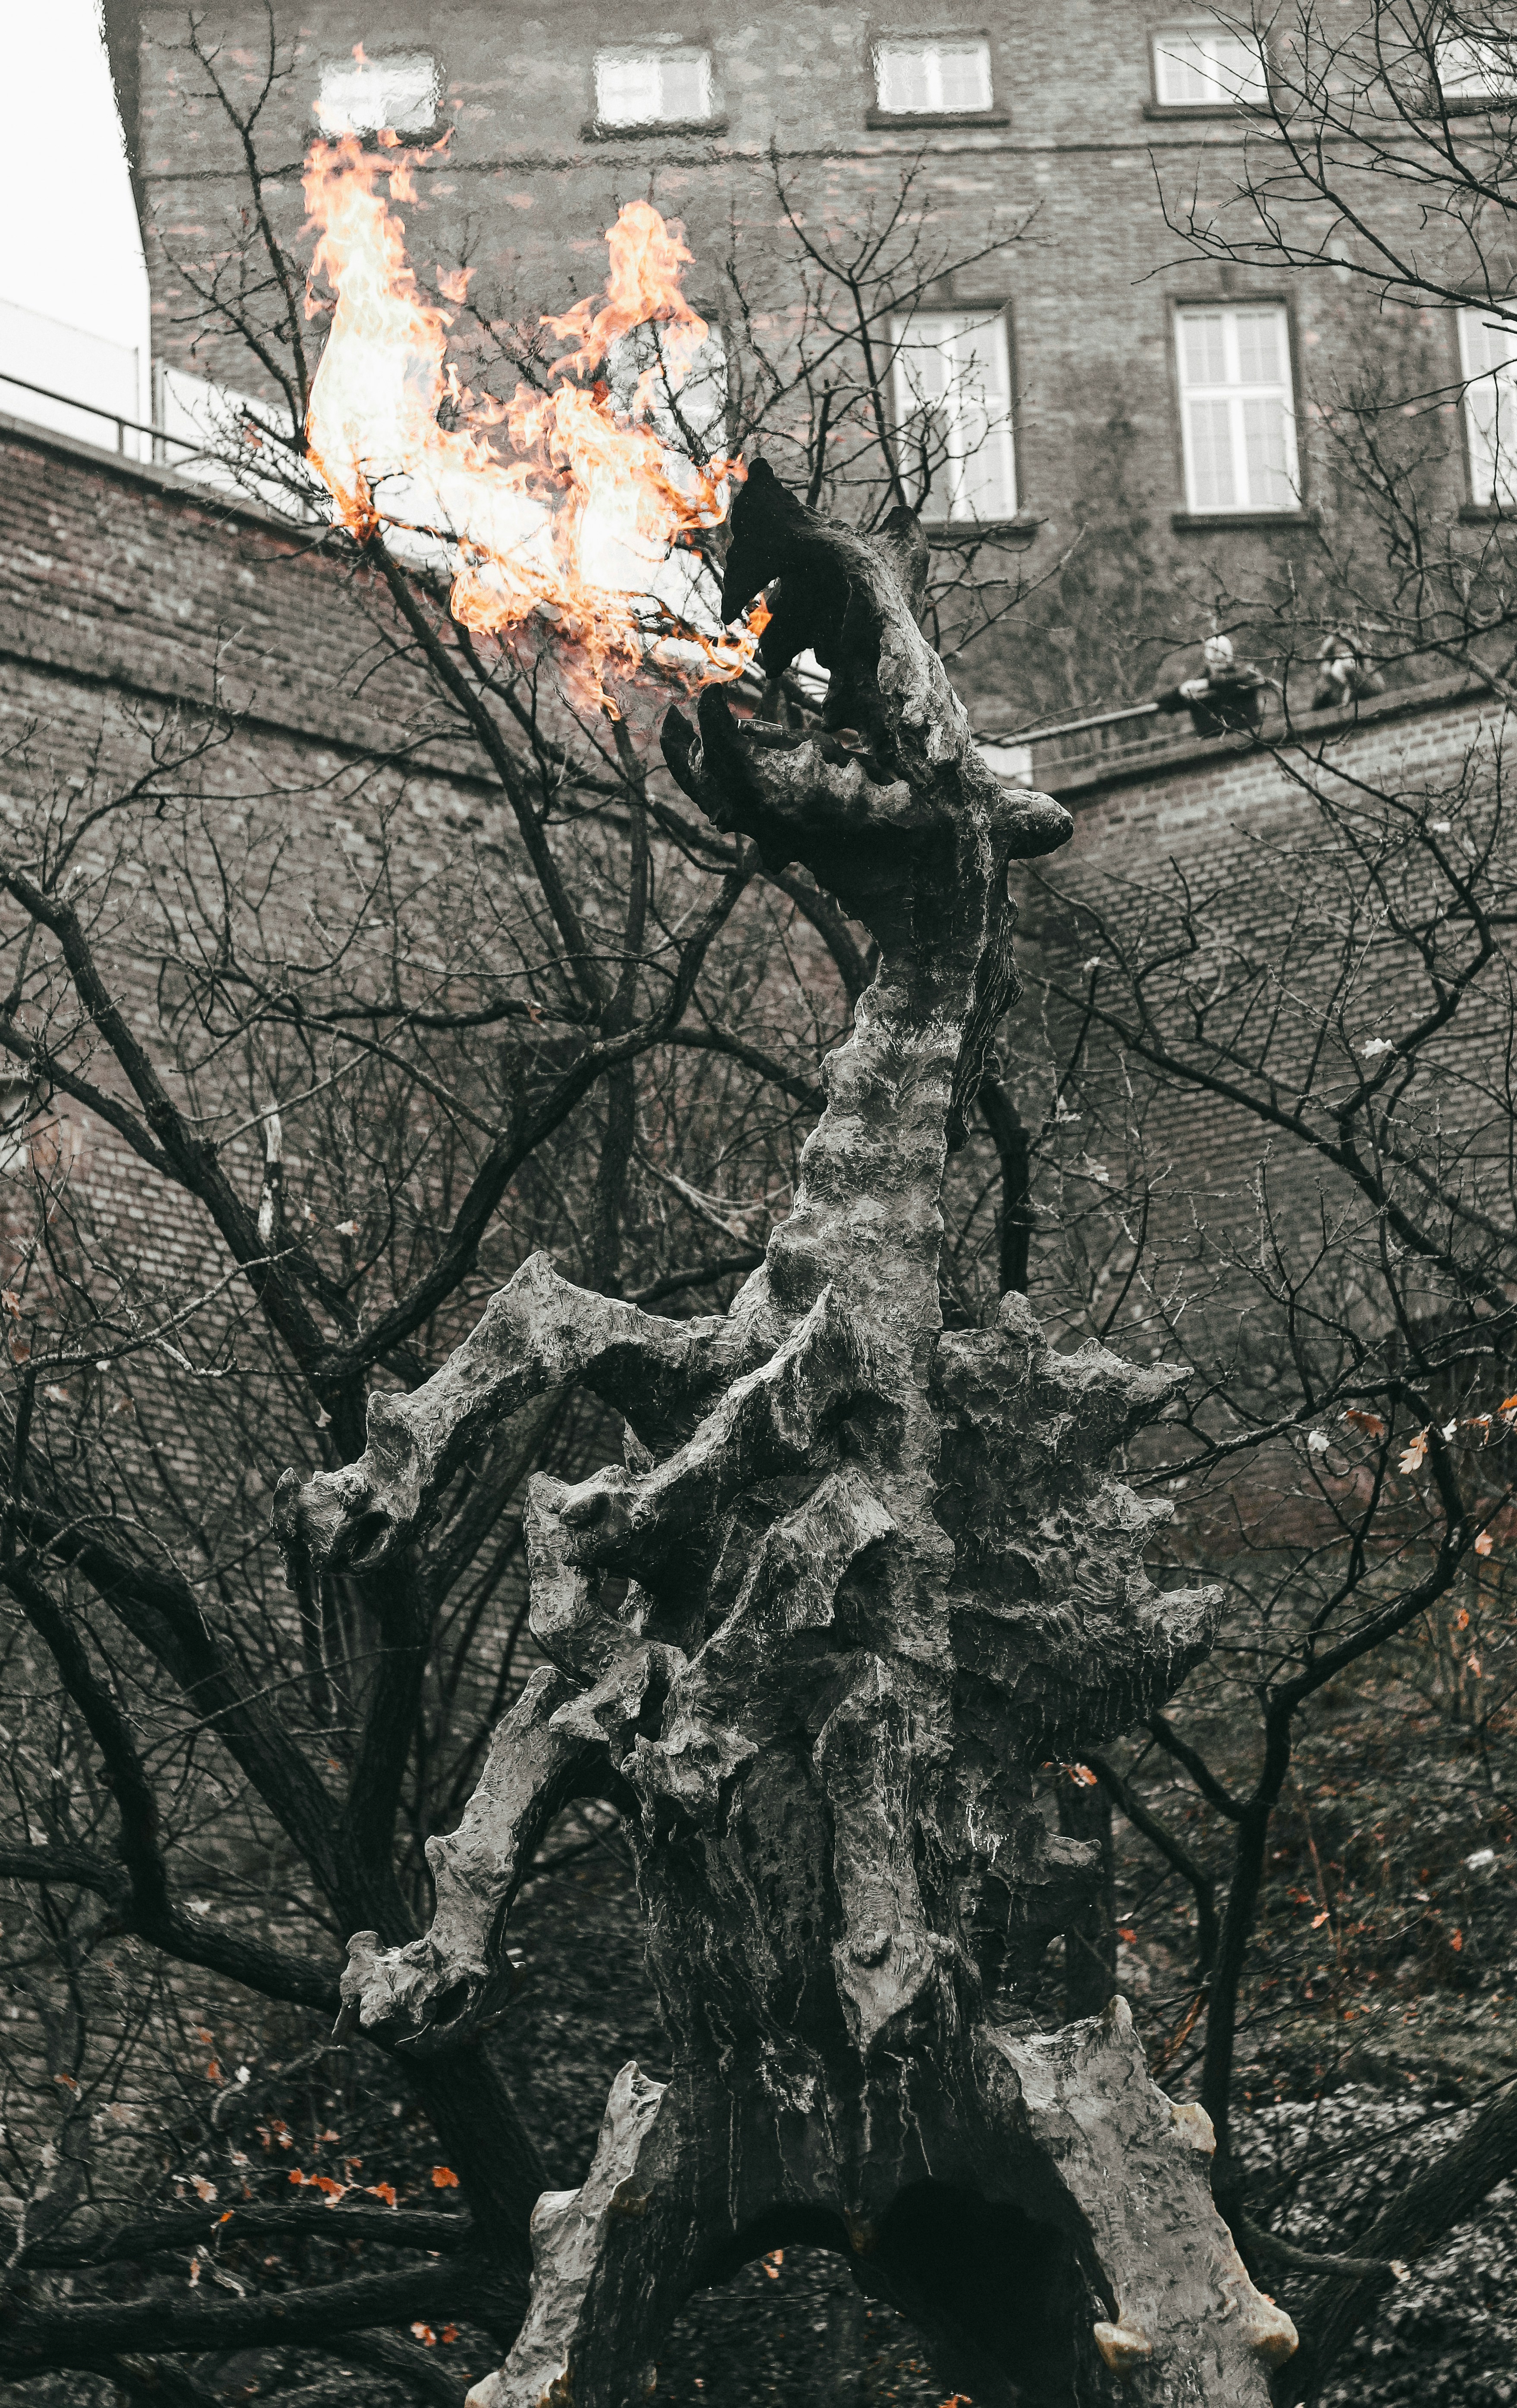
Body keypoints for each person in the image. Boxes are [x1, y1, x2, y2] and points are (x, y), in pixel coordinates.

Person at [1153, 634, 1267, 738]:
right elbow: (1161, 698)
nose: (1219, 657)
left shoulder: (1244, 673)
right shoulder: (1197, 681)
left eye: (1223, 652)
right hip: (1213, 744)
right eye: (1215, 653)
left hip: (1248, 738)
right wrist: (1180, 691)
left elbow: (1246, 676)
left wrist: (1207, 684)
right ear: (1207, 658)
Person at [1310, 630, 1383, 713]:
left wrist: (1360, 671)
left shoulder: (1352, 639)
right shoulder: (1332, 640)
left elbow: (1363, 653)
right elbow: (1321, 656)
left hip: (1354, 666)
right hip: (1338, 669)